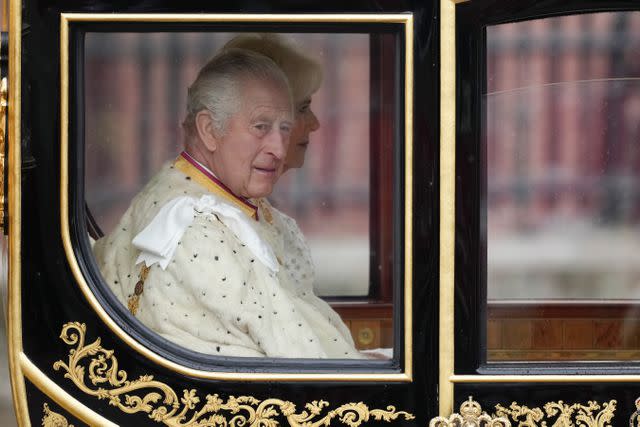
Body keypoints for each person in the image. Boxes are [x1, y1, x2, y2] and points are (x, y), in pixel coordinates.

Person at [93, 48, 362, 358]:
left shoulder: (215, 196)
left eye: (284, 129)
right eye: (261, 127)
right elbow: (299, 365)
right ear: (209, 130)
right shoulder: (197, 231)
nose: (277, 148)